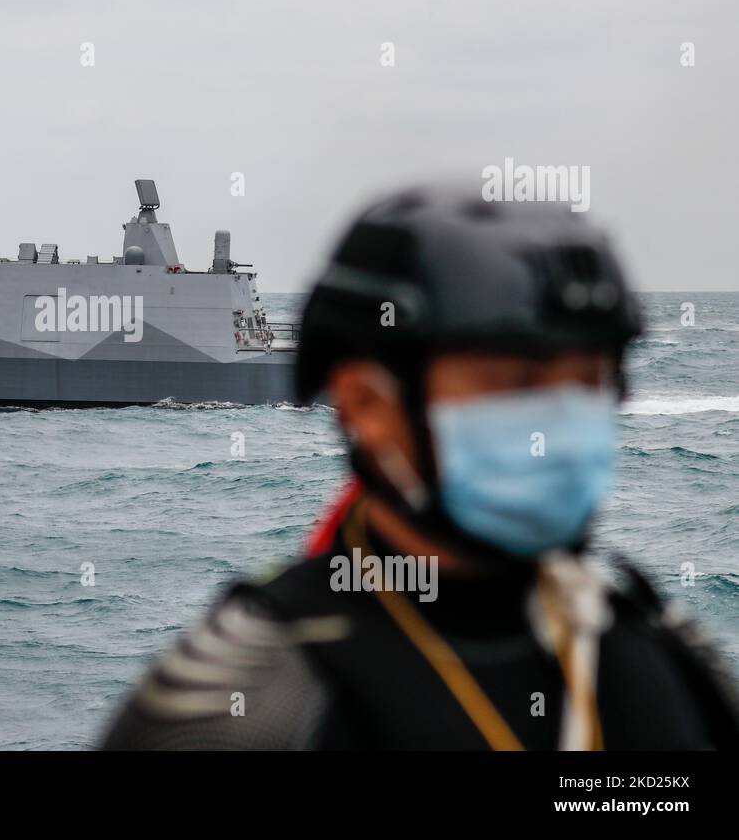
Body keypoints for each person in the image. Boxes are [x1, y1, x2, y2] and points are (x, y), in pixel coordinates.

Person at [100, 185, 739, 750]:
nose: (560, 424)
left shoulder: (669, 661)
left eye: (589, 383)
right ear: (368, 405)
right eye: (513, 383)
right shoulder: (234, 710)